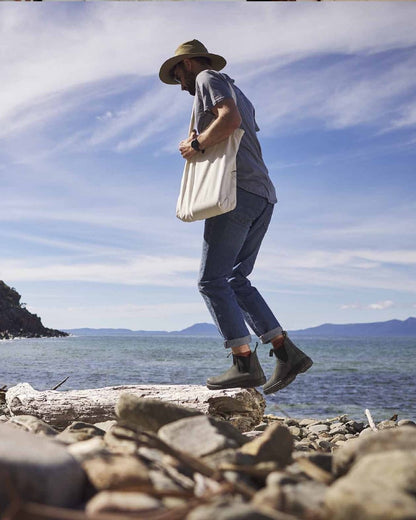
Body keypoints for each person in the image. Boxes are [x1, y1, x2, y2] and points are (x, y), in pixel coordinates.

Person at [159, 40, 313, 394]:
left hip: (237, 193)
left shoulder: (207, 78)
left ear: (188, 63)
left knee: (211, 281)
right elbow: (238, 125)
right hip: (263, 194)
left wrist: (196, 145)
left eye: (177, 72)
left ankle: (244, 362)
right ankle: (285, 351)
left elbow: (229, 119)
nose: (178, 82)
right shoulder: (237, 89)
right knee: (235, 279)